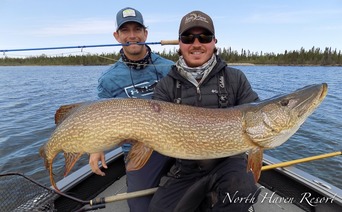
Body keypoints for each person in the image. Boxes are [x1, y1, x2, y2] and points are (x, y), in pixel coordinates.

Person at [149, 10, 261, 211]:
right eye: (188, 37)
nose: (196, 43)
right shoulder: (166, 85)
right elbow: (150, 128)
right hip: (186, 167)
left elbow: (256, 115)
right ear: (180, 43)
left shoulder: (235, 78)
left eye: (204, 37)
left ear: (214, 41)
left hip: (228, 163)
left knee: (243, 190)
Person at [88, 7, 174, 212]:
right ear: (117, 36)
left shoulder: (170, 68)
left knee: (194, 191)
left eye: (137, 29)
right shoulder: (109, 79)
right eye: (125, 30)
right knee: (138, 206)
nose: (132, 35)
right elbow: (101, 116)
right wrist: (96, 146)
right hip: (138, 149)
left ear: (146, 33)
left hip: (175, 140)